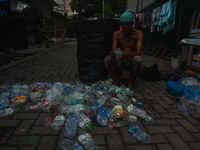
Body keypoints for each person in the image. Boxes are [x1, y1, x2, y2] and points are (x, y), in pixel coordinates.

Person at [104, 9, 143, 90]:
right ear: (120, 24)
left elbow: (139, 52)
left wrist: (127, 55)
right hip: (120, 58)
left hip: (131, 58)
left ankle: (131, 82)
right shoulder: (117, 34)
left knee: (138, 59)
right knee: (107, 59)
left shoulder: (138, 33)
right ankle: (117, 80)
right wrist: (114, 54)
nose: (125, 27)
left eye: (128, 24)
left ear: (132, 24)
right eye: (123, 24)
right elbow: (114, 50)